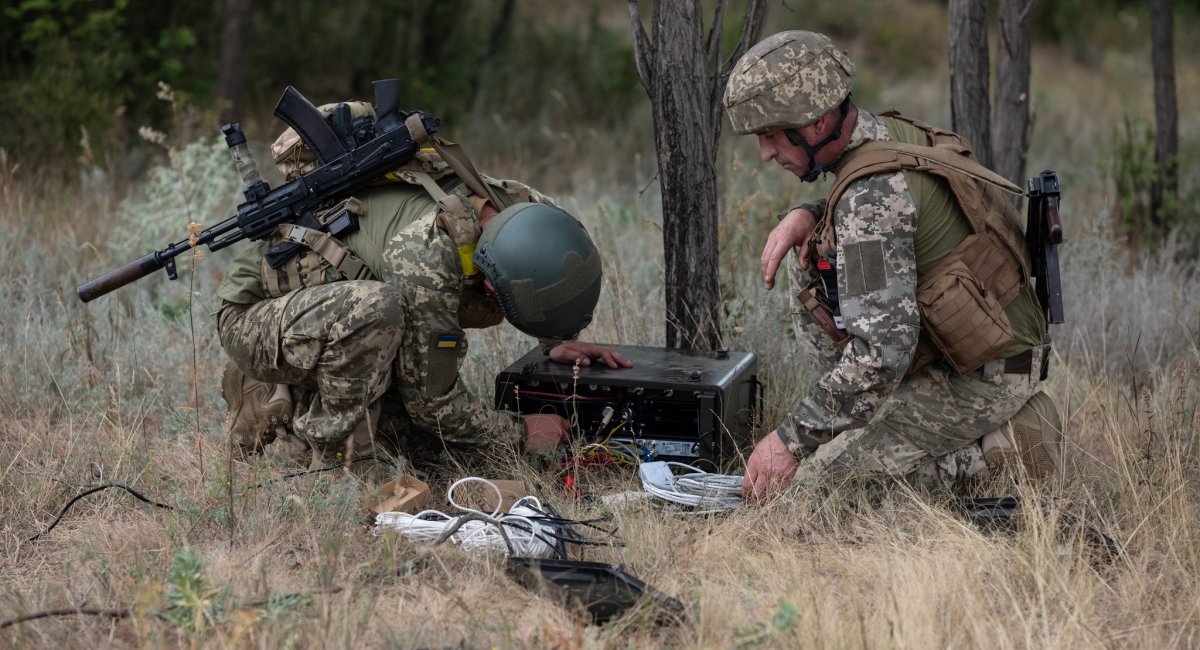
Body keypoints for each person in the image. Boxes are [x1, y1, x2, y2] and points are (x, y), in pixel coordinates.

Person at [722, 31, 1063, 499]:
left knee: (809, 495)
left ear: (818, 123)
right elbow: (894, 218)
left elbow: (882, 355)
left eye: (771, 135)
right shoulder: (889, 135)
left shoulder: (871, 197)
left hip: (985, 378)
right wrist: (810, 212)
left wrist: (791, 441)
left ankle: (1006, 450)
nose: (765, 154)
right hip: (984, 353)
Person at [216, 99, 631, 475]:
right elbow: (433, 404)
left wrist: (554, 340)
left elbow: (549, 263)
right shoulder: (427, 254)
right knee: (376, 308)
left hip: (321, 306)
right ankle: (335, 455)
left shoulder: (525, 207)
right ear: (488, 280)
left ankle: (296, 392)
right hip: (255, 317)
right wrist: (521, 431)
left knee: (413, 445)